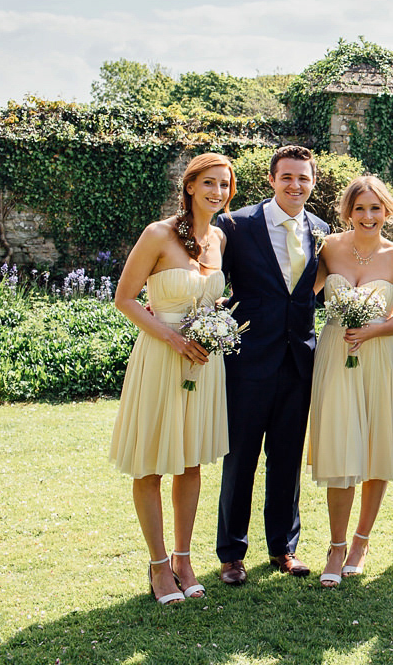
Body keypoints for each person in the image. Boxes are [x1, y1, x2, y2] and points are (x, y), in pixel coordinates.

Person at [110, 152, 234, 604]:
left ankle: (183, 558)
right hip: (161, 359)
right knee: (150, 462)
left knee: (190, 462)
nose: (217, 192)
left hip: (204, 365)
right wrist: (175, 339)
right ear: (189, 186)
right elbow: (124, 299)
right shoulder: (158, 234)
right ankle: (159, 565)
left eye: (224, 184)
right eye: (209, 183)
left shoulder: (219, 237)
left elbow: (212, 298)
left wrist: (215, 325)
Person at [215, 145, 329, 585]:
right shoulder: (236, 224)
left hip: (299, 362)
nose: (296, 185)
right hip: (247, 362)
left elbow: (315, 291)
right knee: (240, 459)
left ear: (313, 182)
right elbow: (210, 277)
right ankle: (232, 554)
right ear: (271, 180)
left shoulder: (320, 230)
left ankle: (284, 547)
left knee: (287, 459)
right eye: (287, 177)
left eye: (303, 178)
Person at [308, 175, 393, 587]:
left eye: (376, 208)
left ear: (387, 211)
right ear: (347, 211)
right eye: (360, 208)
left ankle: (361, 541)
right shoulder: (328, 248)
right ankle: (335, 547)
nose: (368, 216)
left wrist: (371, 330)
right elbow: (299, 291)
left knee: (374, 447)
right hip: (335, 353)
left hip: (380, 355)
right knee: (339, 447)